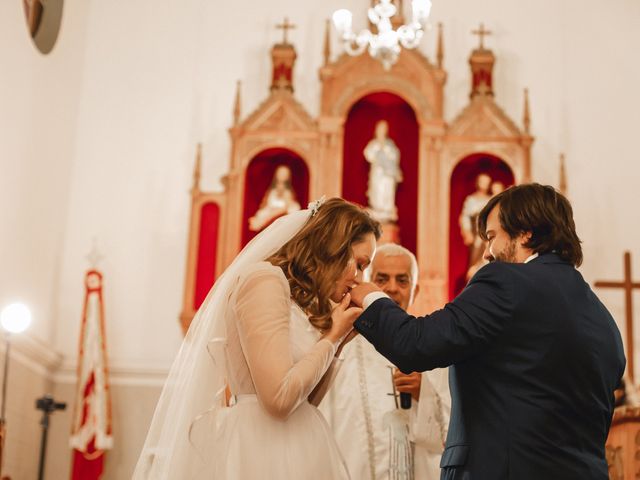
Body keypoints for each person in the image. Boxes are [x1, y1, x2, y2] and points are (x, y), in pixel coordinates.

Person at [350, 183, 625, 479]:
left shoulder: (505, 281)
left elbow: (415, 344)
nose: (487, 254)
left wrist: (367, 295)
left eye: (492, 237)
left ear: (525, 233)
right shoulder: (603, 320)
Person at [134, 197, 381, 479]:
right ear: (331, 247)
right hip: (260, 448)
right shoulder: (264, 280)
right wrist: (332, 338)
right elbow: (278, 400)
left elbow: (308, 400)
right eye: (360, 264)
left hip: (300, 444)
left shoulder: (302, 301)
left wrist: (338, 342)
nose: (361, 278)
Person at [319, 243, 450, 480]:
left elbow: (454, 433)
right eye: (381, 279)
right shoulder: (341, 345)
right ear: (366, 286)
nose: (391, 288)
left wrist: (425, 392)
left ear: (415, 290)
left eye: (402, 280)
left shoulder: (433, 350)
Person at [364, 120, 402, 223]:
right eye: (380, 129)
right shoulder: (374, 144)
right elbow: (368, 154)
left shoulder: (389, 145)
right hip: (378, 173)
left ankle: (386, 211)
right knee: (377, 190)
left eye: (384, 129)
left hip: (387, 175)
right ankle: (377, 209)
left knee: (386, 190)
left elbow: (395, 156)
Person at [459, 173, 493, 280]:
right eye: (482, 181)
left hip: (489, 235)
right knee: (475, 259)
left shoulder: (491, 199)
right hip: (476, 234)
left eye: (487, 182)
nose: (484, 184)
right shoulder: (471, 199)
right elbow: (465, 217)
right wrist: (467, 232)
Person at [249, 164, 301, 231]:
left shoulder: (287, 192)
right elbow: (267, 204)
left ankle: (260, 222)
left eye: (284, 174)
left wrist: (269, 217)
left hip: (282, 212)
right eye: (280, 173)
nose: (282, 175)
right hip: (271, 210)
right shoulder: (272, 190)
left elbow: (285, 208)